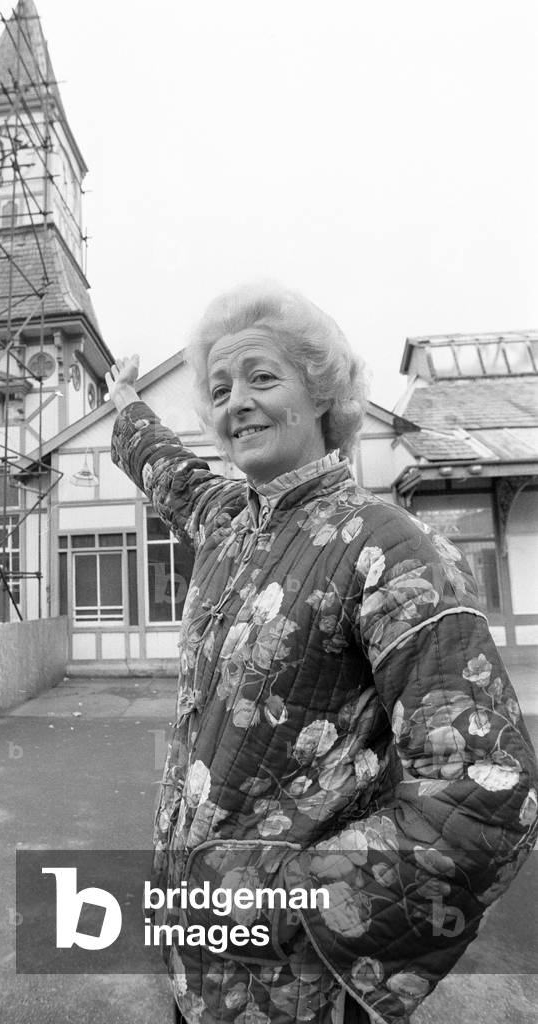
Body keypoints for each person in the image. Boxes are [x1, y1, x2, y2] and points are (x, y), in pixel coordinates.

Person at [107, 282, 537, 1024]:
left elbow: (486, 791)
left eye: (261, 377)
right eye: (219, 388)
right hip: (196, 965)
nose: (235, 400)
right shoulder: (226, 525)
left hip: (295, 989)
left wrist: (303, 899)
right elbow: (165, 468)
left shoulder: (388, 544)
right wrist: (123, 405)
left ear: (320, 394)